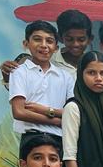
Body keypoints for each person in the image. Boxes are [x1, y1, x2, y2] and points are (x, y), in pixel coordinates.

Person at [8, 20, 74, 149]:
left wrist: (45, 110)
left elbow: (72, 112)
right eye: (37, 39)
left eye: (49, 41)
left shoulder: (65, 77)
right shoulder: (19, 72)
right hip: (31, 138)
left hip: (60, 139)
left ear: (56, 48)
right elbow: (19, 112)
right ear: (26, 44)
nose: (44, 45)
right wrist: (58, 121)